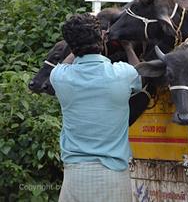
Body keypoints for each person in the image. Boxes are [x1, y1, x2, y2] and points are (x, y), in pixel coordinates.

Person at [50, 13, 141, 202]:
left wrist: (77, 46)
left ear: (70, 45)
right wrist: (128, 47)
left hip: (75, 175)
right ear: (101, 38)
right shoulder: (123, 74)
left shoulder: (59, 77)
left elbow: (63, 64)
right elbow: (141, 74)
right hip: (114, 176)